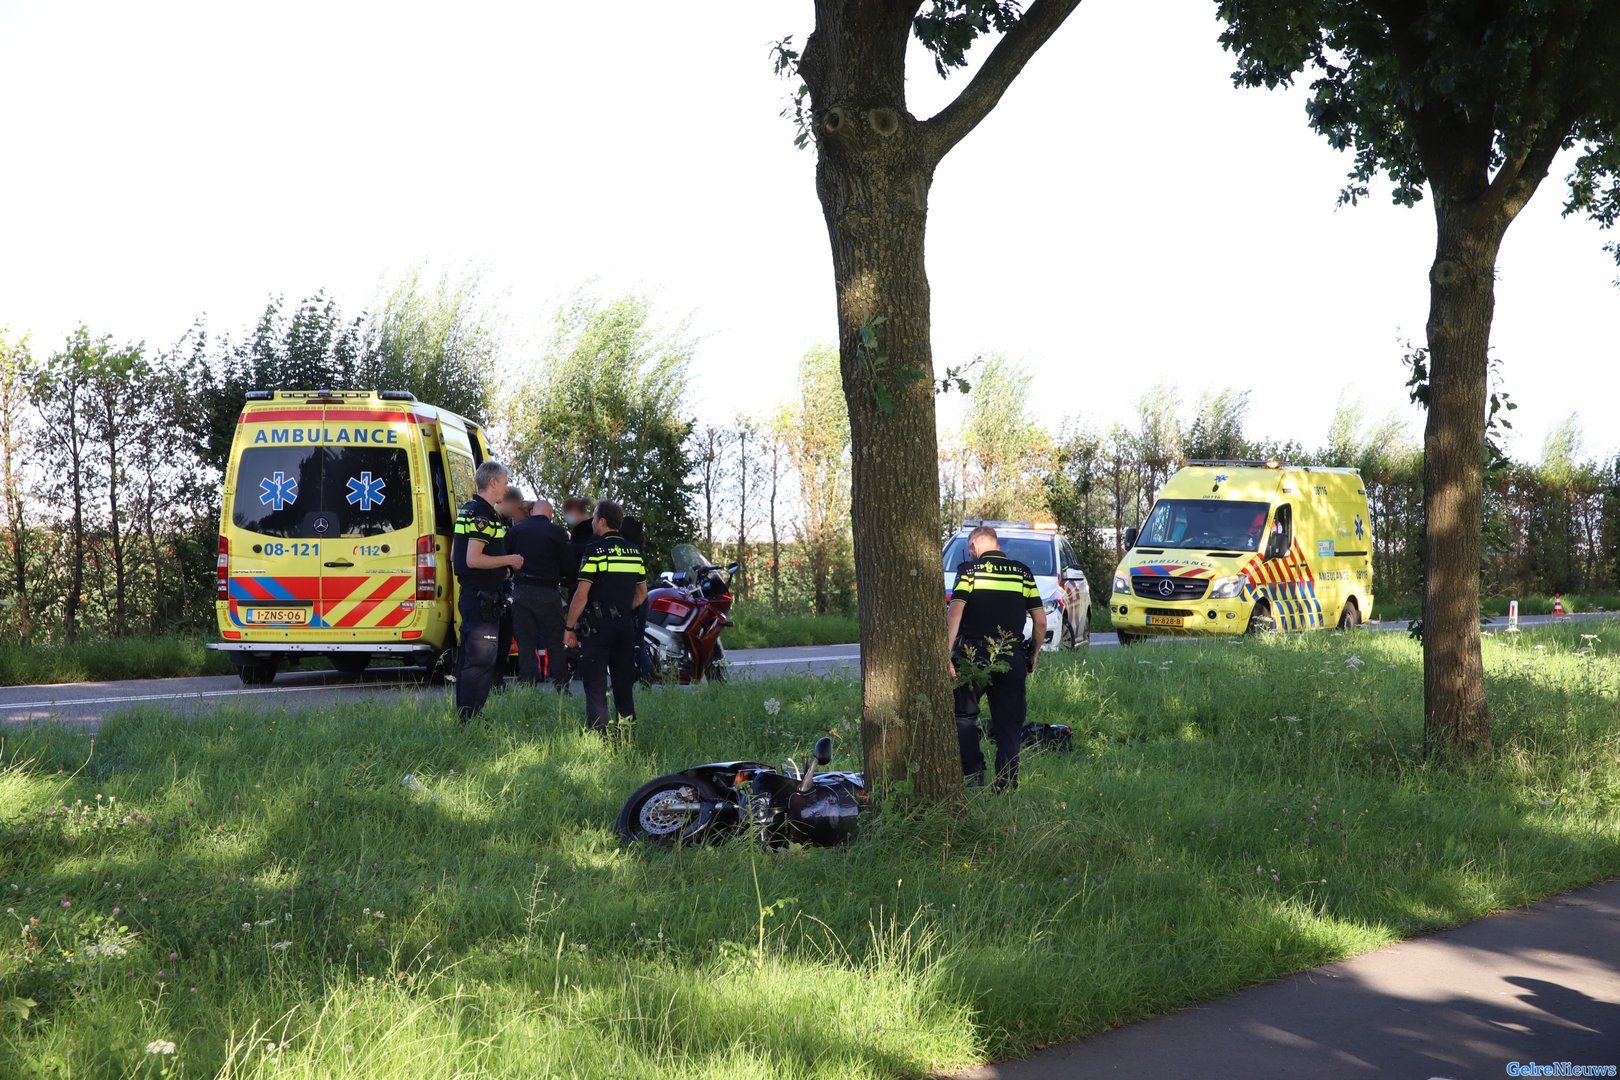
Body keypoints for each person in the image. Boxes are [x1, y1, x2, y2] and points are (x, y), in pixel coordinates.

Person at [946, 525, 1045, 790]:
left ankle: (973, 773)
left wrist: (945, 655)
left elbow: (955, 613)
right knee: (1009, 725)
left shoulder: (969, 571)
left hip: (972, 656)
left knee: (963, 716)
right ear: (997, 545)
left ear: (974, 547)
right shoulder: (1023, 572)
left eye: (970, 550)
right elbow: (1041, 622)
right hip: (1011, 656)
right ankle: (1005, 787)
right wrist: (1033, 654)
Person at [564, 499, 647, 736]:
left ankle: (599, 738)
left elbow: (581, 594)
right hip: (624, 626)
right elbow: (642, 593)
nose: (591, 523)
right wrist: (621, 608)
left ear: (601, 521)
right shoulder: (634, 551)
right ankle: (627, 736)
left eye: (593, 518)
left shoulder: (595, 550)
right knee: (623, 684)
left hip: (597, 627)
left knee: (596, 685)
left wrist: (569, 627)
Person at [451, 461, 524, 723]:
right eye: (505, 482)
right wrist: (509, 561)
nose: (507, 487)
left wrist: (496, 571)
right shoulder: (483, 515)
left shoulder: (469, 511)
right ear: (493, 482)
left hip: (475, 593)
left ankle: (467, 716)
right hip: (481, 597)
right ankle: (470, 719)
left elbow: (456, 555)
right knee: (481, 659)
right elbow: (473, 559)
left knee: (472, 658)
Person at [507, 497, 574, 691]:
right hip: (548, 592)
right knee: (554, 640)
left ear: (533, 512)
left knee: (526, 641)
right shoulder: (558, 532)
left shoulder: (515, 531)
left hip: (521, 591)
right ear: (550, 514)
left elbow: (505, 559)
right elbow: (569, 566)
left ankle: (528, 684)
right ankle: (561, 684)